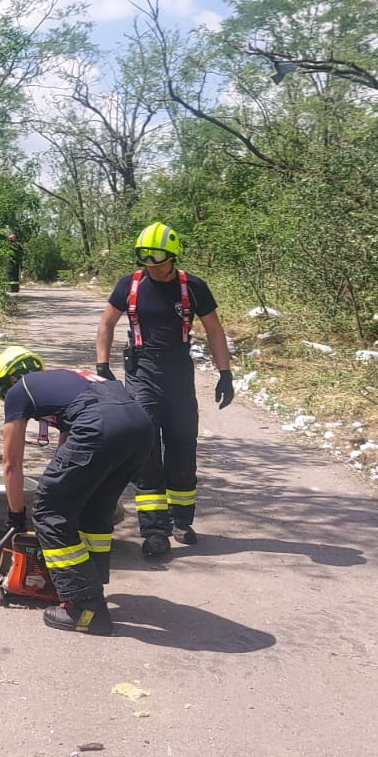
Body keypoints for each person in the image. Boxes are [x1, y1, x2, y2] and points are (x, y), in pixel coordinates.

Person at [0, 345, 163, 635]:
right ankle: (90, 582)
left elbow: (11, 464)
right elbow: (70, 455)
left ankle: (84, 607)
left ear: (8, 380)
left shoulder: (20, 389)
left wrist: (15, 517)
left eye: (2, 394)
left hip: (101, 426)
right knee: (94, 508)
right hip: (139, 428)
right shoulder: (70, 380)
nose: (8, 401)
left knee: (48, 511)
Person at [94, 222, 234, 554]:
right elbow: (106, 323)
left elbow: (214, 330)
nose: (152, 267)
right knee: (145, 450)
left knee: (182, 447)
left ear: (172, 256)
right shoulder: (130, 285)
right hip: (141, 371)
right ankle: (154, 530)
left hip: (178, 373)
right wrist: (102, 366)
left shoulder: (193, 287)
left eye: (158, 260)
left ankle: (181, 521)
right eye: (146, 260)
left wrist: (225, 373)